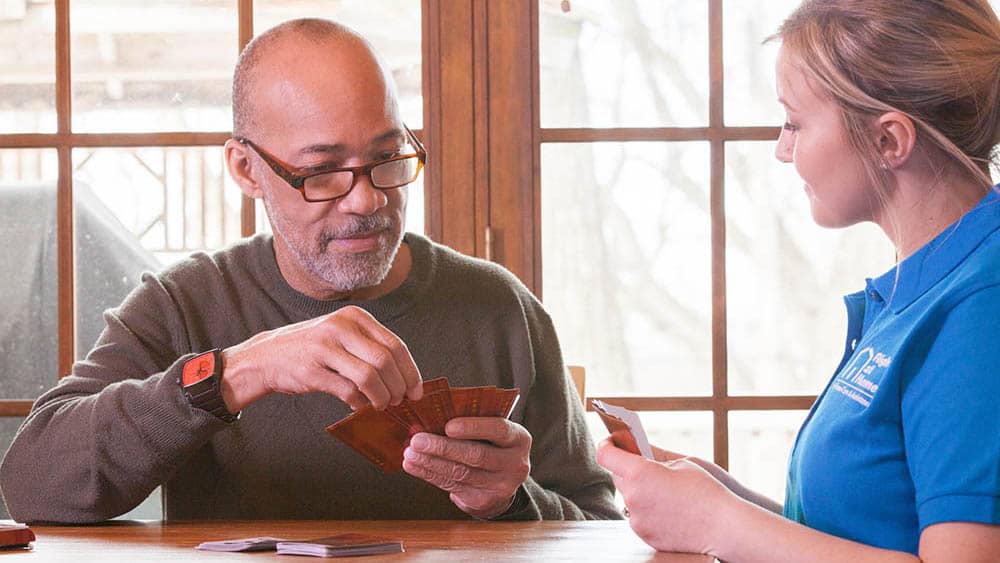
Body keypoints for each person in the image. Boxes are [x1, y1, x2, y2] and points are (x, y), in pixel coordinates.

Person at [0, 18, 618, 523]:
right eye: (322, 172)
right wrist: (239, 369)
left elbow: (602, 529)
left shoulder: (499, 307)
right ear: (246, 169)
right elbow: (33, 484)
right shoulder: (183, 303)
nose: (367, 200)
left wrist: (513, 502)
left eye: (387, 157)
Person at [598, 0, 1000, 560]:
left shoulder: (983, 306)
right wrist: (721, 500)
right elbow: (871, 531)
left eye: (794, 122)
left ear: (889, 140)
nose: (782, 150)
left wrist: (719, 522)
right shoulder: (926, 285)